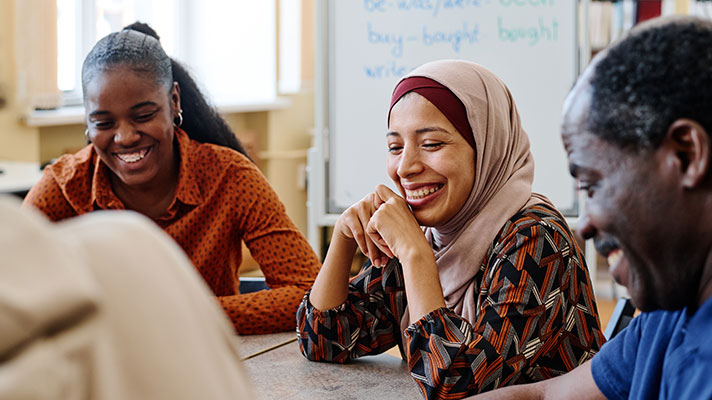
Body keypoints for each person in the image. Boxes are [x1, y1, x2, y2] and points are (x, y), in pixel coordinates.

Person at [297, 59, 604, 399]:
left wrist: (416, 256)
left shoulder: (535, 236)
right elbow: (323, 340)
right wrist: (343, 237)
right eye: (395, 147)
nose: (406, 167)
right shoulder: (430, 230)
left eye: (431, 144)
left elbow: (457, 384)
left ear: (486, 146)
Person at [469, 15, 712, 400]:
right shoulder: (669, 313)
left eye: (592, 185)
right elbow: (544, 396)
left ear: (685, 156)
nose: (584, 224)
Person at [22, 23, 320, 335]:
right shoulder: (63, 187)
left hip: (205, 365)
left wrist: (182, 315)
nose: (124, 137)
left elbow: (309, 294)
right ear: (87, 121)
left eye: (143, 116)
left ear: (173, 102)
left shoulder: (230, 177)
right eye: (104, 122)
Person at [0, 196, 253, 399]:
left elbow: (294, 288)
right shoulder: (129, 232)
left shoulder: (231, 175)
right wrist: (185, 307)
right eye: (103, 127)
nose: (124, 137)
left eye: (140, 126)